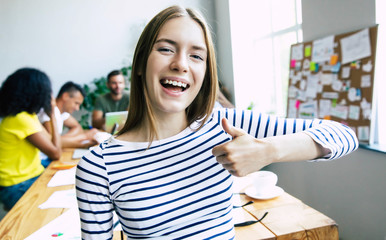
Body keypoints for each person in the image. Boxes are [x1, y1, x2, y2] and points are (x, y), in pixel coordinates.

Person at [75, 6, 358, 239]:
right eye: (165, 49)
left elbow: (343, 134)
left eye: (196, 55)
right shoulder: (99, 166)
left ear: (204, 71)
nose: (181, 64)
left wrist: (267, 151)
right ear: (139, 64)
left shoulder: (222, 125)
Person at [0, 68, 62, 211]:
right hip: (17, 184)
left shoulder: (28, 117)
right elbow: (56, 152)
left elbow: (53, 144)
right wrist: (52, 114)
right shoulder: (20, 119)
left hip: (31, 176)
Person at [38, 81, 99, 149]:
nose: (77, 108)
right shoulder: (49, 111)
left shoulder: (62, 113)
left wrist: (64, 139)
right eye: (76, 103)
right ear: (65, 96)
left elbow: (77, 127)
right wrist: (84, 137)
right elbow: (52, 143)